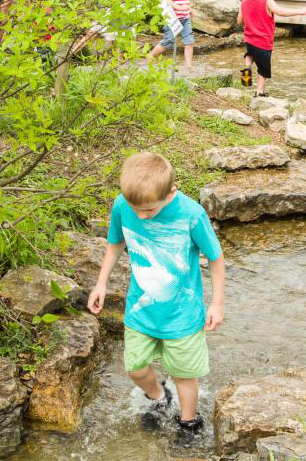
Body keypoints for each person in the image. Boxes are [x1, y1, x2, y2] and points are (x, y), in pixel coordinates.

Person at [87, 152, 225, 442]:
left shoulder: (191, 214)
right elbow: (115, 245)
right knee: (135, 367)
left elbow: (216, 257)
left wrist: (216, 302)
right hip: (141, 310)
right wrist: (101, 284)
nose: (141, 215)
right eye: (136, 209)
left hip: (182, 315)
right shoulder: (123, 204)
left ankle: (188, 422)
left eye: (149, 210)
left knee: (185, 374)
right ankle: (160, 396)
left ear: (170, 192)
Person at [236, 0, 306, 97]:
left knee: (250, 54)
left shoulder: (244, 2)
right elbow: (281, 12)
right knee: (263, 70)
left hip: (249, 40)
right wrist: (300, 11)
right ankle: (259, 92)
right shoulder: (267, 1)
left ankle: (247, 68)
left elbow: (239, 21)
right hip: (264, 42)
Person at [147, 0, 194, 68]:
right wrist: (178, 7)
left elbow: (185, 0)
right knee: (169, 42)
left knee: (189, 42)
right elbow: (167, 0)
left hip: (185, 19)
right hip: (173, 19)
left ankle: (189, 66)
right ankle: (151, 55)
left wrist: (189, 9)